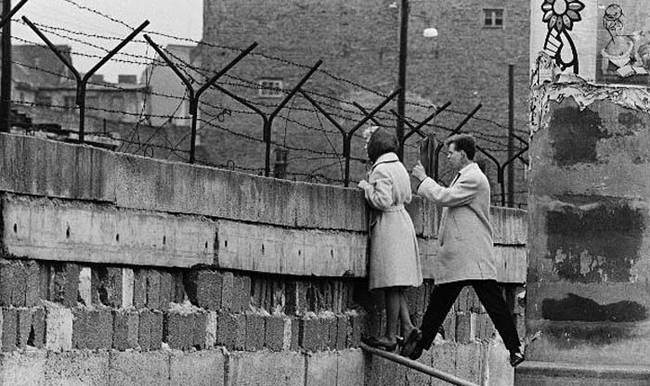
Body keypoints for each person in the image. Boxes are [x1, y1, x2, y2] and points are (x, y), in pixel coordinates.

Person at [401, 134, 524, 367]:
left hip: (472, 254)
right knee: (441, 301)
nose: (447, 157)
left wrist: (424, 179)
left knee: (492, 303)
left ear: (464, 155)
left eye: (451, 153)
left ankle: (515, 347)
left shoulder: (474, 179)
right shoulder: (465, 177)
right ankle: (419, 345)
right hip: (464, 254)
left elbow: (444, 197)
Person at [357, 127, 423, 351]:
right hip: (402, 221)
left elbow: (382, 200)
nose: (365, 148)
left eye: (367, 143)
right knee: (397, 284)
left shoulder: (380, 170)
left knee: (391, 284)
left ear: (376, 145)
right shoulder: (399, 167)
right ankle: (408, 327)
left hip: (389, 226)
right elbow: (407, 196)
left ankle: (390, 336)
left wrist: (366, 187)